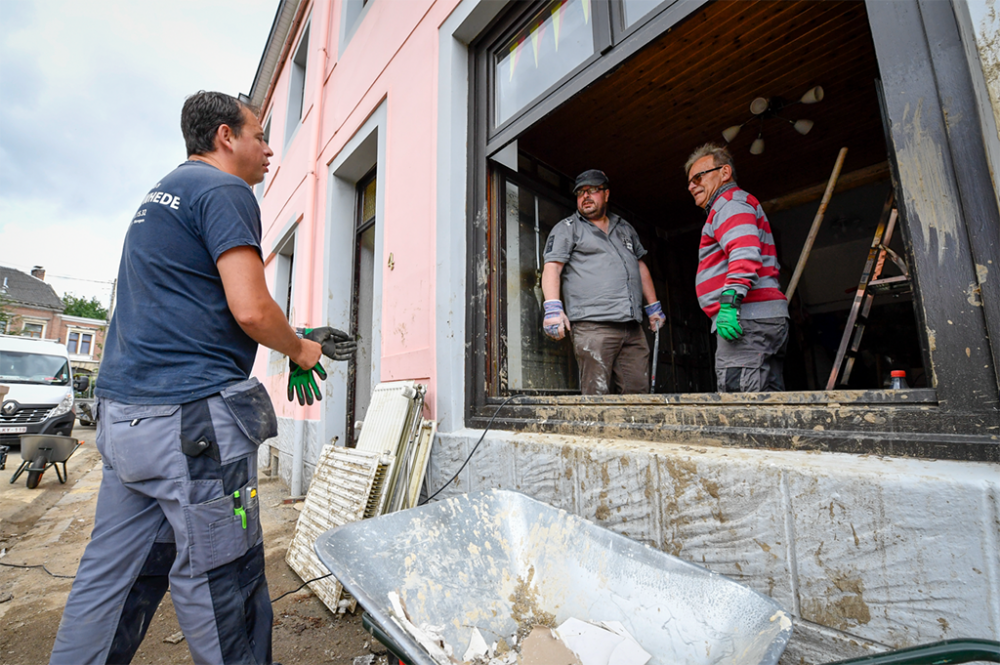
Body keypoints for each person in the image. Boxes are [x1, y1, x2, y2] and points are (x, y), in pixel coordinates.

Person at [49, 91, 353, 665]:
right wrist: (302, 351)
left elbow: (192, 309)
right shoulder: (225, 191)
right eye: (260, 135)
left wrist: (301, 332)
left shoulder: (160, 196)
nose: (269, 151)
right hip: (188, 427)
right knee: (223, 583)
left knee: (113, 581)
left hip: (125, 422)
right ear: (225, 136)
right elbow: (251, 310)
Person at [541, 169, 665, 394]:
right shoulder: (568, 229)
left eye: (592, 190)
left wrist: (653, 307)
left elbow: (639, 266)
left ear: (606, 194)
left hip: (631, 327)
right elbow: (552, 268)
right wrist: (552, 308)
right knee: (597, 397)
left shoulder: (625, 228)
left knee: (639, 395)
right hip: (593, 327)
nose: (585, 196)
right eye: (580, 193)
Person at [684, 143, 789, 392]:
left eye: (699, 177)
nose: (691, 186)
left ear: (725, 172)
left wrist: (730, 305)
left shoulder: (728, 203)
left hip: (746, 321)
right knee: (769, 405)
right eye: (689, 181)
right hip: (760, 321)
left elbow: (743, 252)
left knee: (743, 407)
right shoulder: (735, 204)